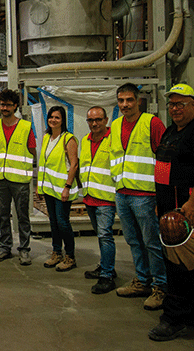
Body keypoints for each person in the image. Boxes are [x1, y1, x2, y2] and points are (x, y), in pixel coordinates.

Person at [148, 84, 194, 341]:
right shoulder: (171, 131)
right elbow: (163, 167)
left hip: (189, 208)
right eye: (172, 104)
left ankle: (173, 319)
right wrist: (160, 200)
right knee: (184, 262)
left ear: (193, 105)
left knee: (180, 264)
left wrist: (192, 202)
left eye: (181, 104)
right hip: (169, 207)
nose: (175, 109)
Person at [111, 83, 168, 310]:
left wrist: (161, 198)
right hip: (123, 193)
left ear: (138, 101)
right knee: (133, 241)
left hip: (146, 195)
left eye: (129, 100)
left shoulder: (151, 123)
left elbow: (164, 160)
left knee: (152, 243)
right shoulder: (115, 125)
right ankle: (142, 281)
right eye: (121, 101)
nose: (125, 105)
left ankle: (161, 287)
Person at [0, 89, 36, 264]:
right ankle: (4, 248)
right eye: (2, 104)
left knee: (22, 216)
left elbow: (32, 151)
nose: (5, 108)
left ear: (15, 106)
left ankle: (24, 249)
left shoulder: (26, 127)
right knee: (2, 214)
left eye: (8, 105)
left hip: (20, 181)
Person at [37, 106, 79, 271]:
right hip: (49, 188)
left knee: (63, 222)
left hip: (62, 189)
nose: (53, 120)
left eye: (57, 118)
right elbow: (44, 163)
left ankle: (70, 256)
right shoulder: (47, 137)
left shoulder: (68, 139)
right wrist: (39, 187)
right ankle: (56, 252)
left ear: (63, 120)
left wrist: (67, 187)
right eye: (51, 117)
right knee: (53, 222)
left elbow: (74, 164)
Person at [81, 106, 118, 294]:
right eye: (90, 120)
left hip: (106, 198)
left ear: (106, 120)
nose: (94, 123)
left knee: (105, 236)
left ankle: (107, 275)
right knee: (100, 235)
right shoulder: (85, 140)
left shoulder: (114, 139)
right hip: (90, 197)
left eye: (98, 120)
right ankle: (105, 265)